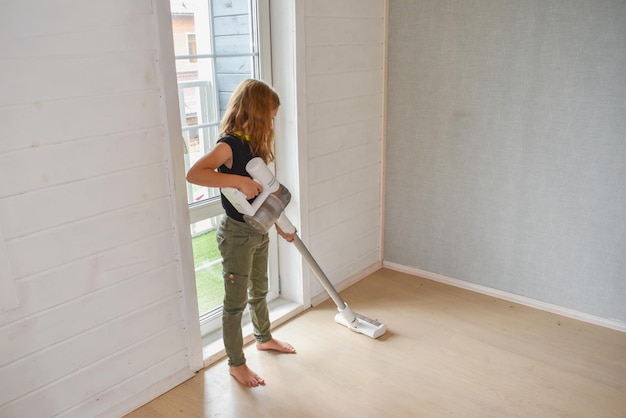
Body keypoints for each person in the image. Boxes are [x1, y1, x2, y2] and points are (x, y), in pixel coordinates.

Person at [186, 79, 296, 387]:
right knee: (235, 303)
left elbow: (265, 196)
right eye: (271, 117)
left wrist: (281, 224)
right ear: (259, 113)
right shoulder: (229, 144)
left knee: (259, 289)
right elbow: (195, 173)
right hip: (236, 235)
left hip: (259, 230)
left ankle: (263, 338)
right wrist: (237, 182)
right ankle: (236, 364)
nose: (273, 123)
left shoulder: (252, 144)